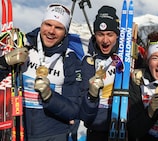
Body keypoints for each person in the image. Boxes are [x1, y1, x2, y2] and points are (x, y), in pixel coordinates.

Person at [0, 3, 85, 141]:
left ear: (65, 32)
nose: (51, 31)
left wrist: (49, 96)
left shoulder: (70, 60)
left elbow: (73, 110)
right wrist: (3, 62)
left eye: (58, 27)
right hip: (17, 129)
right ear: (41, 24)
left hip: (52, 134)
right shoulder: (22, 45)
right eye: (48, 24)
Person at [79, 5, 120, 141]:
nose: (105, 40)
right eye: (100, 34)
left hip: (123, 126)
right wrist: (91, 95)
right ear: (95, 35)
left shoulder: (127, 57)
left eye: (110, 34)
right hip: (96, 129)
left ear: (117, 35)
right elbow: (84, 113)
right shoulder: (88, 61)